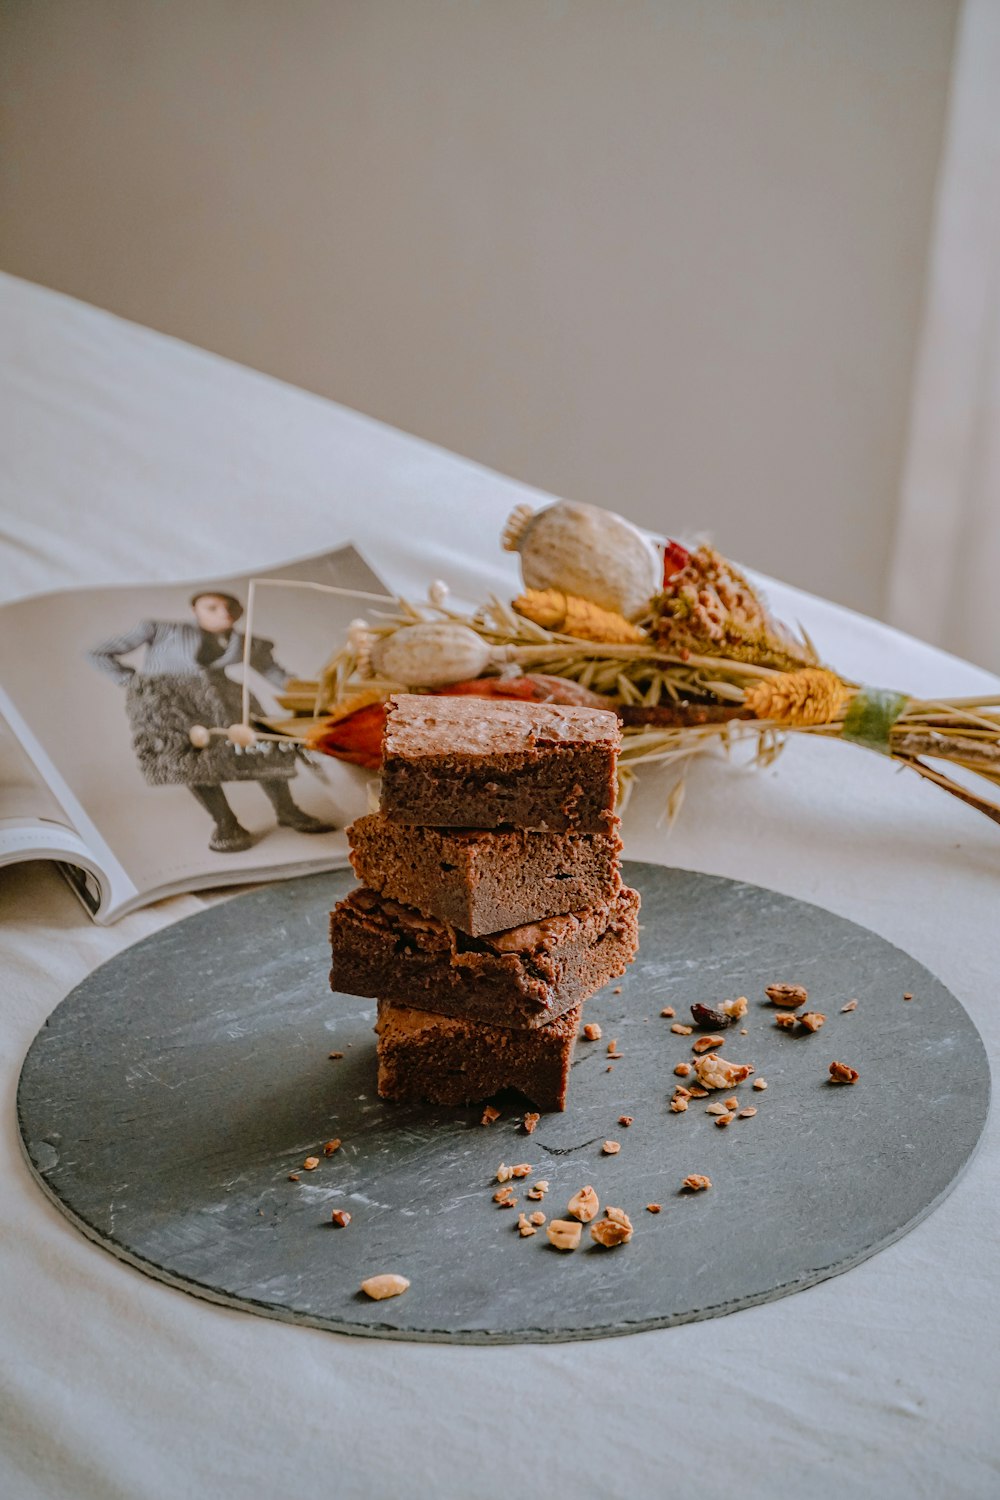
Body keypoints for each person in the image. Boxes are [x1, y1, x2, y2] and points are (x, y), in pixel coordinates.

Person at [87, 590, 334, 852]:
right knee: (193, 761)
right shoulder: (160, 629)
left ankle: (288, 810)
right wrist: (133, 682)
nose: (223, 613)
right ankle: (225, 822)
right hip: (172, 706)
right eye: (212, 607)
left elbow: (274, 672)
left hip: (227, 701)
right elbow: (98, 653)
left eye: (230, 607)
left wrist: (314, 697)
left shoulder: (246, 642)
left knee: (262, 748)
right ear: (195, 610)